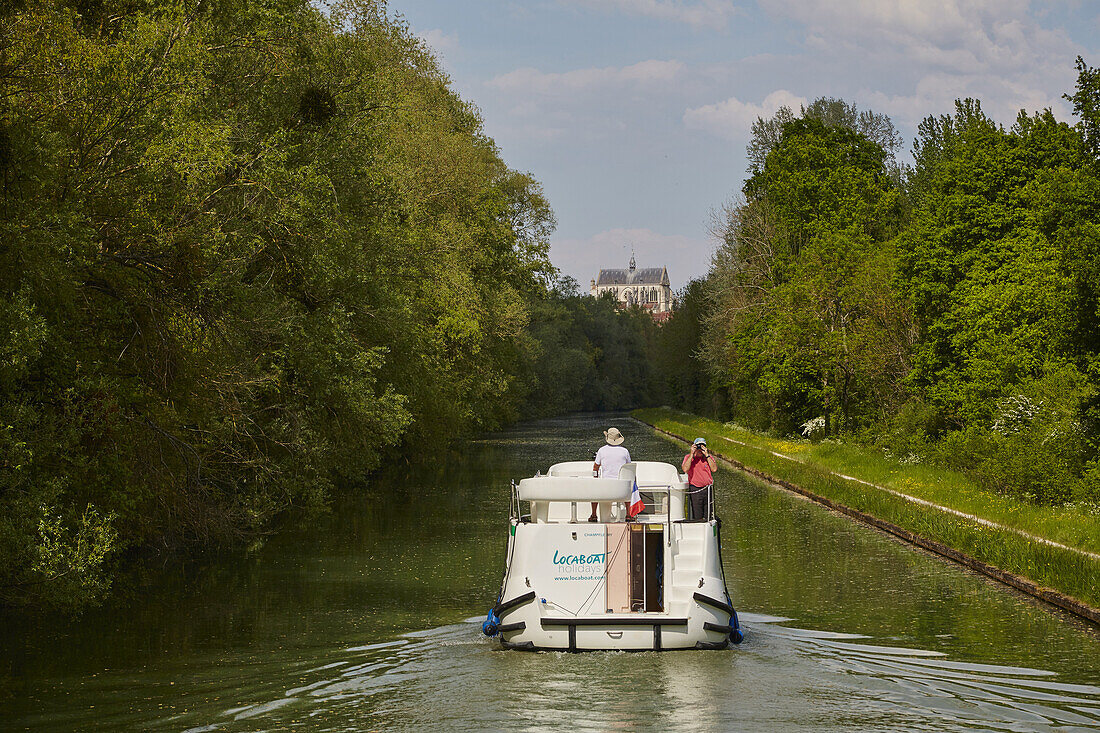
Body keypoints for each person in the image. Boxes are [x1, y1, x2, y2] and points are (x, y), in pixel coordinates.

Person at [591, 427, 631, 521]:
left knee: (593, 491)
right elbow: (629, 467)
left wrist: (596, 478)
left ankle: (593, 515)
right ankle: (629, 515)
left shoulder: (601, 450)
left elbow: (595, 467)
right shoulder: (625, 451)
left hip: (606, 486)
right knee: (628, 488)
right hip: (621, 487)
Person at [682, 437, 717, 521]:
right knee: (697, 514)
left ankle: (708, 526)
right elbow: (685, 469)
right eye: (698, 447)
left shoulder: (708, 458)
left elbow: (714, 469)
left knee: (709, 514)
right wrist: (692, 454)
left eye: (702, 447)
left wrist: (707, 455)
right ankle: (699, 525)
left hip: (707, 489)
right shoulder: (688, 457)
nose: (700, 449)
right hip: (696, 489)